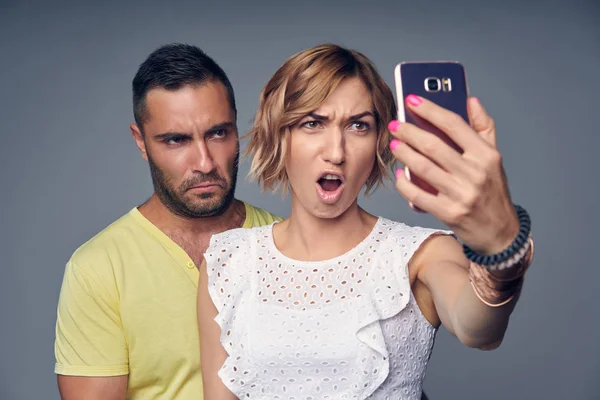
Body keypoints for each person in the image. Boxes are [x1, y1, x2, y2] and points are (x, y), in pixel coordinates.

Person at [198, 44, 534, 399]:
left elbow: (479, 330)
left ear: (379, 144)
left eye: (358, 126)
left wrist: (499, 246)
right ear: (280, 135)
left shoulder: (421, 255)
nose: (336, 152)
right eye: (313, 123)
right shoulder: (228, 262)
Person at [54, 43, 281, 399]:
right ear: (141, 142)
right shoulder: (99, 269)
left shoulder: (289, 246)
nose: (204, 162)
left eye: (218, 133)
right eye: (177, 140)